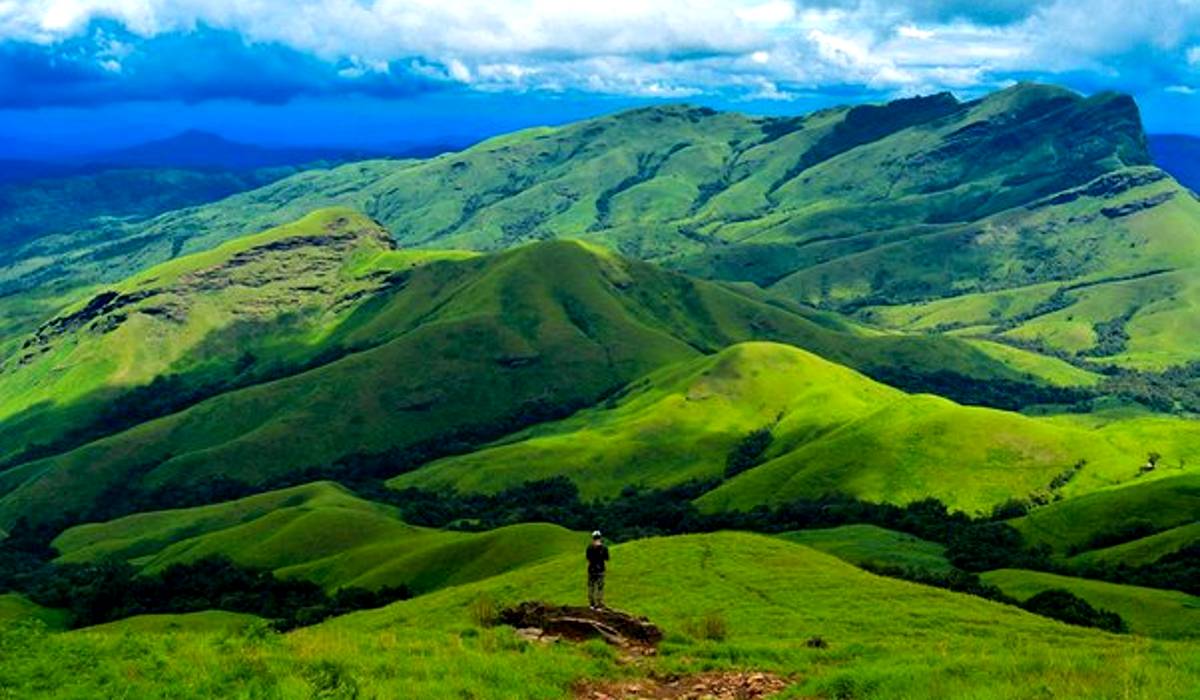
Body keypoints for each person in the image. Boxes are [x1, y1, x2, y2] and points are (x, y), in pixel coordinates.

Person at [586, 530, 610, 610]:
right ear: (600, 537)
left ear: (593, 538)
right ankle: (599, 604)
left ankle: (591, 604)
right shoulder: (604, 548)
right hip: (600, 570)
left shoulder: (589, 547)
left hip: (591, 569)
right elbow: (607, 558)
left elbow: (588, 558)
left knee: (591, 587)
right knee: (600, 588)